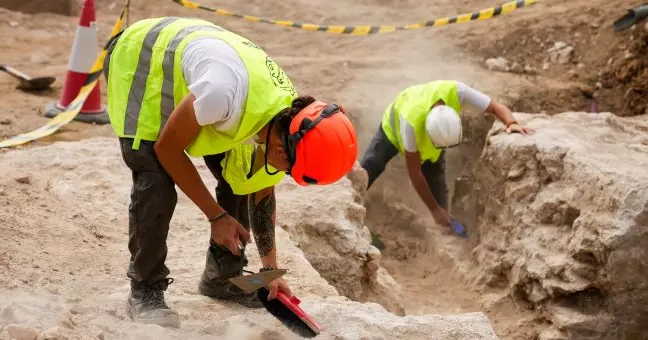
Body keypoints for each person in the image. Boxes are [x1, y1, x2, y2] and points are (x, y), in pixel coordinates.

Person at [103, 16, 358, 328]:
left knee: (242, 174)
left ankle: (223, 278)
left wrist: (269, 271)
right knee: (156, 181)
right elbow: (168, 149)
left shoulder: (286, 117)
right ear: (281, 150)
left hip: (203, 79)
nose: (285, 176)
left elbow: (261, 189)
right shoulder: (221, 94)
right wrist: (215, 216)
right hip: (142, 58)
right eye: (291, 172)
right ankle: (145, 290)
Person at [359, 80, 534, 229]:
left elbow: (495, 107)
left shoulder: (458, 91)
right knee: (372, 164)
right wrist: (434, 209)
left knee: (435, 174)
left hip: (429, 132)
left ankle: (445, 221)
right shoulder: (409, 123)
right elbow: (415, 173)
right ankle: (352, 205)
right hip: (393, 128)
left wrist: (511, 123)